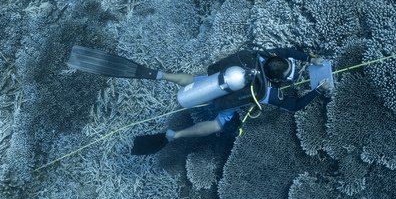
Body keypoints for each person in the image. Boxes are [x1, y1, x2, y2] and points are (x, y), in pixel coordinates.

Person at [66, 45, 333, 155]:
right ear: (279, 78)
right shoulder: (265, 92)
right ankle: (173, 135)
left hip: (214, 82)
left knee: (194, 80)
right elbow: (296, 106)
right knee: (218, 125)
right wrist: (317, 91)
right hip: (225, 100)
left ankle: (158, 75)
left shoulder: (261, 55)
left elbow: (286, 51)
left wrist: (310, 59)